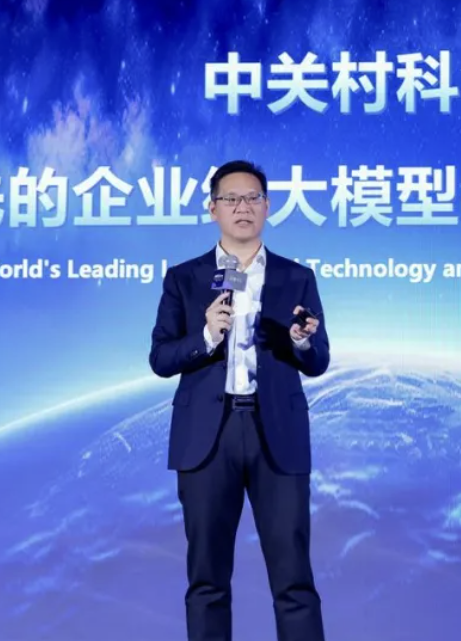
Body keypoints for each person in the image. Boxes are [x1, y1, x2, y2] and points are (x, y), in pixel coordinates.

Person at [148, 159, 329, 641]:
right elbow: (161, 357)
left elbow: (318, 361)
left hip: (277, 436)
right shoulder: (184, 279)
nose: (242, 207)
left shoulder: (297, 277)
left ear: (267, 207)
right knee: (207, 581)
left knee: (294, 580)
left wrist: (300, 342)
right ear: (213, 209)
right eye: (231, 198)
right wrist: (207, 335)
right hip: (208, 438)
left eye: (252, 198)